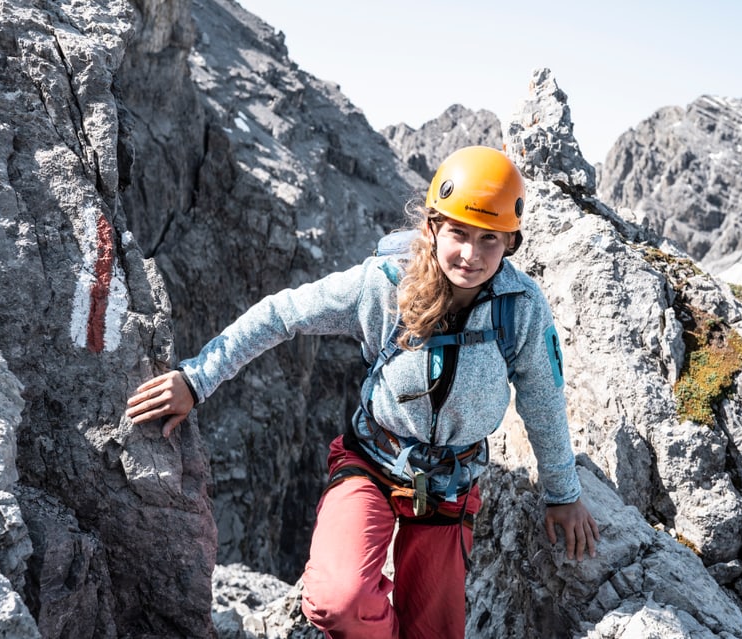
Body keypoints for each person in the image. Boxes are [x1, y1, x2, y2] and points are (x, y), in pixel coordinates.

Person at [126, 145, 600, 639]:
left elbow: (543, 399)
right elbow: (282, 314)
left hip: (450, 484)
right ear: (433, 227)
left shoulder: (520, 309)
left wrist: (562, 494)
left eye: (490, 240)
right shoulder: (384, 284)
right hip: (372, 461)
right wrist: (197, 379)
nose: (471, 254)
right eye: (458, 232)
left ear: (510, 243)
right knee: (338, 601)